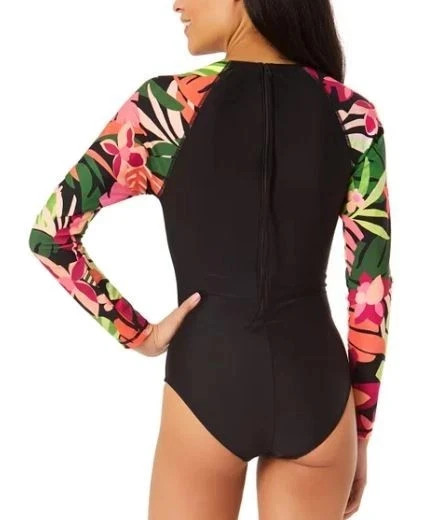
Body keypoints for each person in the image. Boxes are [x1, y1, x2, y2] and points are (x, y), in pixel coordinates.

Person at [28, 0, 393, 518]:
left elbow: (51, 235)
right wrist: (361, 430)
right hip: (316, 390)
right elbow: (371, 289)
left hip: (207, 380)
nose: (177, 2)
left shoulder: (167, 107)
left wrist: (140, 334)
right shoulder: (353, 115)